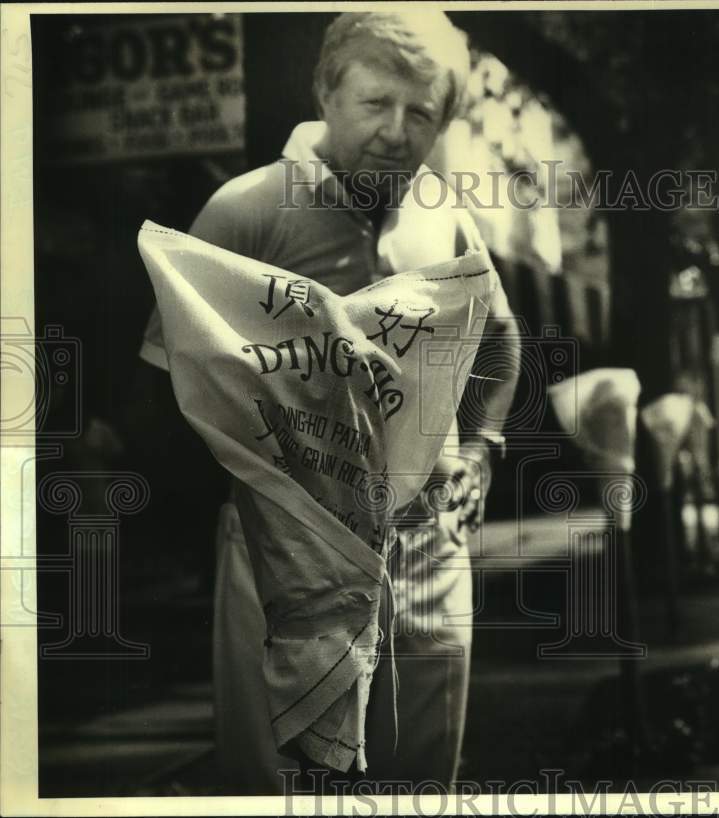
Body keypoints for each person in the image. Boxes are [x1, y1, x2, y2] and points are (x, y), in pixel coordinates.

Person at [134, 11, 520, 792]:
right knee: (284, 783)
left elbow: (501, 341)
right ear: (325, 92)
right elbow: (164, 379)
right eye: (376, 104)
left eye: (421, 113)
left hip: (425, 545)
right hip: (288, 551)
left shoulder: (443, 214)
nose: (396, 133)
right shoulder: (245, 209)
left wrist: (482, 448)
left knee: (420, 776)